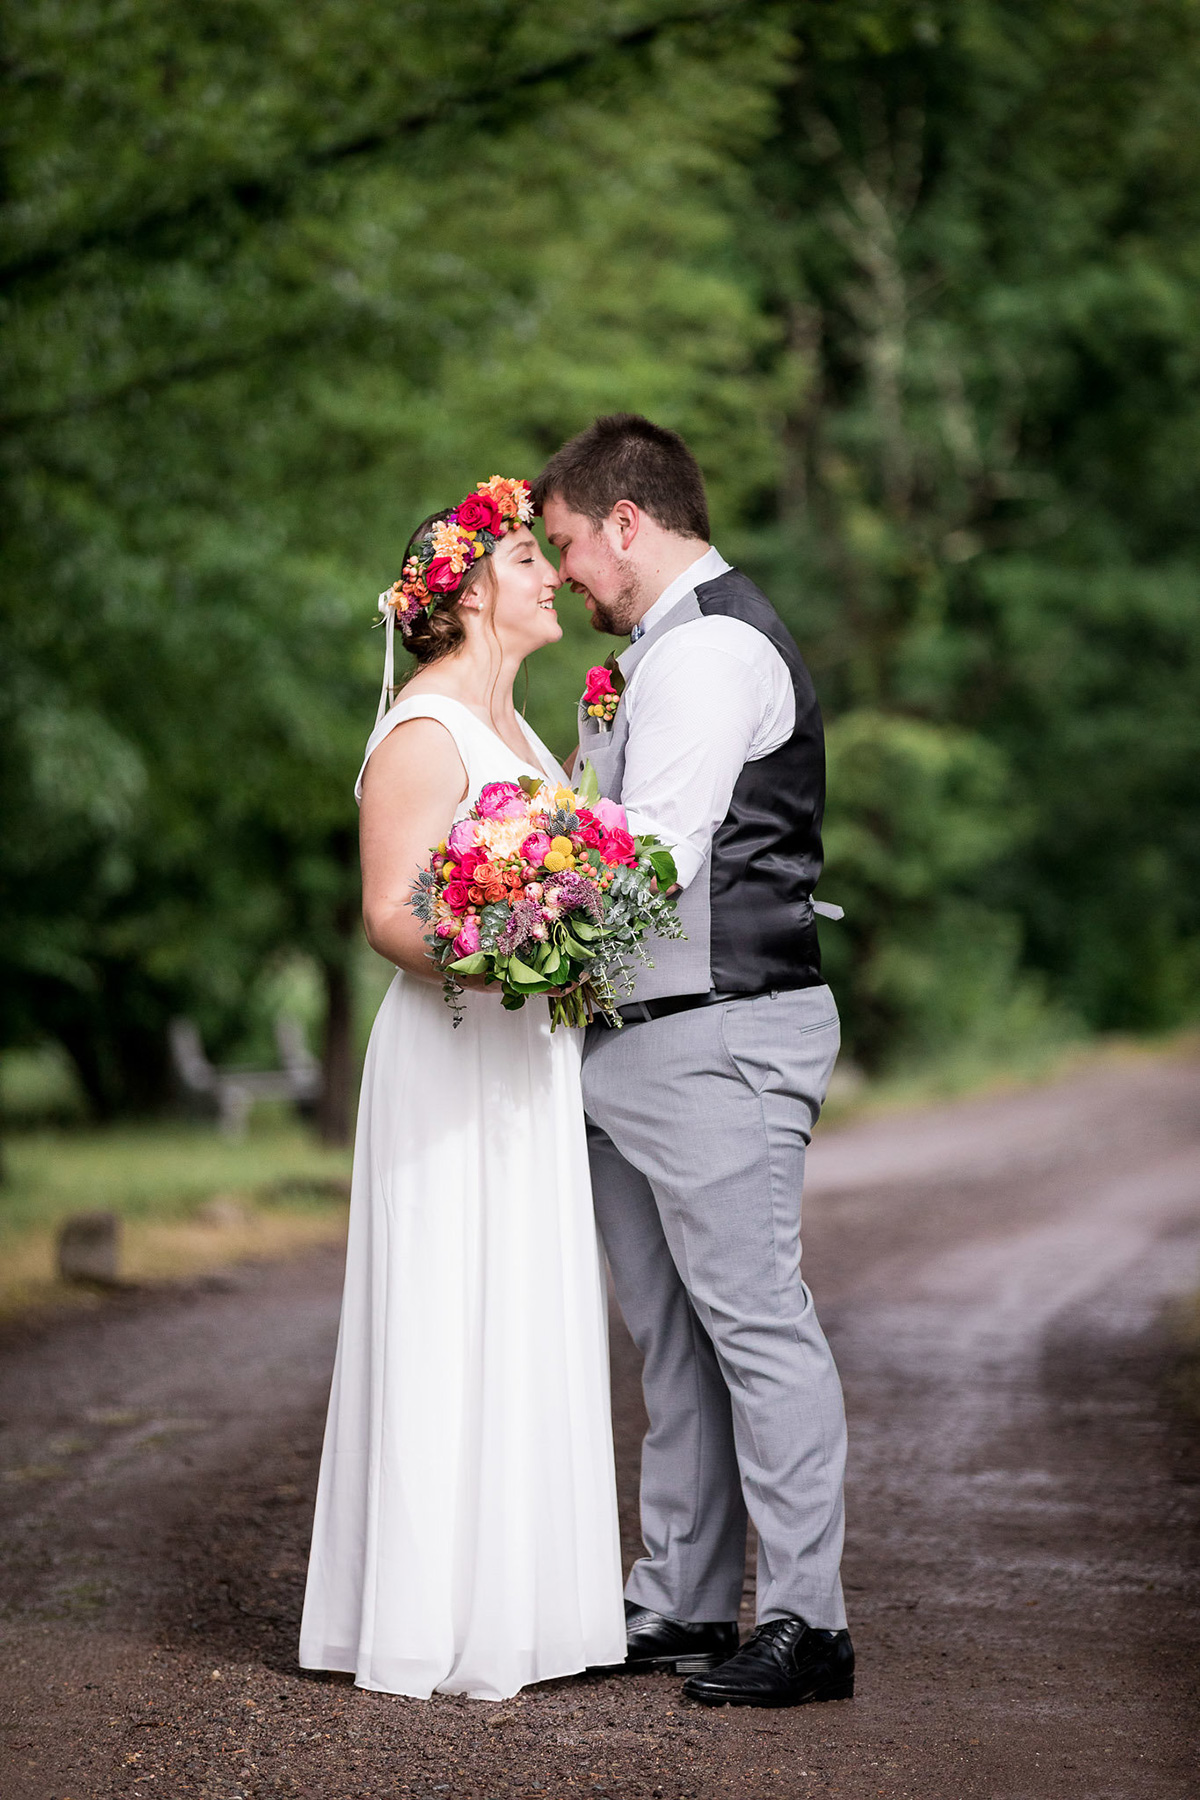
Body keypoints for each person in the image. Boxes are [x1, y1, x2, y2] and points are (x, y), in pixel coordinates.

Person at [534, 414, 855, 1709]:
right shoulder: (648, 657)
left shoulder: (714, 647)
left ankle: (807, 1621)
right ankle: (677, 1598)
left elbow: (654, 847)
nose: (562, 575)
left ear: (627, 521)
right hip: (629, 1039)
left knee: (754, 1325)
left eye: (565, 546)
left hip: (722, 1031)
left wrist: (504, 916)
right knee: (670, 1341)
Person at [298, 478, 626, 1701]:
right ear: (476, 589)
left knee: (527, 1299)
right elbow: (390, 914)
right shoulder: (426, 731)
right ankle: (426, 1617)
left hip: (525, 1055)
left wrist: (571, 937)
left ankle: (530, 1611)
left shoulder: (527, 732)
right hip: (451, 1047)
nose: (553, 576)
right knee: (449, 1303)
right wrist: (505, 952)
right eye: (533, 560)